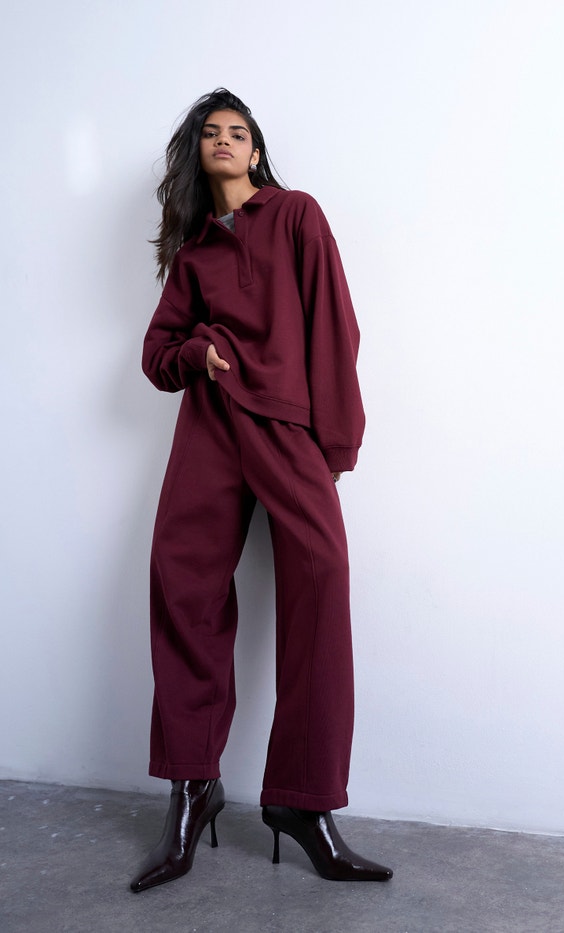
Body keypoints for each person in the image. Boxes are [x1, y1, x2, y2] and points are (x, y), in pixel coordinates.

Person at [129, 89, 392, 892]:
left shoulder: (296, 215)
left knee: (323, 578)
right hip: (209, 427)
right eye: (210, 132)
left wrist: (336, 441)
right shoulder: (194, 254)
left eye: (237, 132)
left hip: (286, 426)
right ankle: (192, 785)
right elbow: (156, 354)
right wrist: (196, 354)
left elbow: (335, 327)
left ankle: (303, 803)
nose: (224, 141)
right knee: (184, 586)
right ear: (197, 153)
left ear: (255, 149)